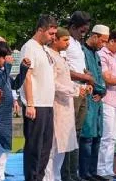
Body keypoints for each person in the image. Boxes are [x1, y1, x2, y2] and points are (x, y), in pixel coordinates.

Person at [0, 40, 30, 181]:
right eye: (3, 58)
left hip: (5, 116)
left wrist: (23, 68)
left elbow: (14, 84)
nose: (5, 61)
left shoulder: (2, 70)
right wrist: (8, 66)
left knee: (3, 155)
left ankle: (0, 177)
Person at [19, 15, 58, 181]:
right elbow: (27, 76)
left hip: (47, 103)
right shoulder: (29, 47)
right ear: (40, 30)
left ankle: (39, 177)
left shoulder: (44, 49)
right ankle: (32, 178)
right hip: (36, 104)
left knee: (45, 148)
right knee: (34, 147)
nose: (53, 37)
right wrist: (30, 103)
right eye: (51, 33)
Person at [45, 28, 82, 181]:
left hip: (66, 106)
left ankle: (56, 177)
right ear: (55, 39)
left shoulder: (60, 56)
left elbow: (65, 80)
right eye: (65, 40)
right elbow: (52, 83)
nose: (68, 44)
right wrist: (72, 90)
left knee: (63, 147)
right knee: (52, 148)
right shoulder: (49, 56)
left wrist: (78, 88)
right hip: (56, 106)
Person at [61, 11, 93, 181]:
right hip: (71, 90)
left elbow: (78, 67)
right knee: (68, 132)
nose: (84, 34)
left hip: (82, 89)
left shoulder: (77, 44)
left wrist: (86, 77)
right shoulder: (66, 42)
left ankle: (74, 172)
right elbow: (63, 69)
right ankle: (66, 173)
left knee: (77, 133)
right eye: (82, 31)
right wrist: (84, 77)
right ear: (73, 27)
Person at [79, 25, 109, 180]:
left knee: (97, 136)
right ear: (95, 36)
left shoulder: (96, 55)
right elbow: (87, 76)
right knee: (87, 136)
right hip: (88, 98)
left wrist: (102, 91)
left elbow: (99, 77)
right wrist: (100, 89)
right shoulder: (82, 52)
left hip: (98, 99)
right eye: (103, 41)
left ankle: (92, 171)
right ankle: (84, 173)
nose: (104, 45)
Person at [98, 30, 116, 178]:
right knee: (106, 136)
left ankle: (108, 168)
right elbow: (107, 78)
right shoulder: (102, 55)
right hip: (107, 99)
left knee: (113, 137)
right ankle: (101, 169)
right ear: (112, 41)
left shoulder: (115, 56)